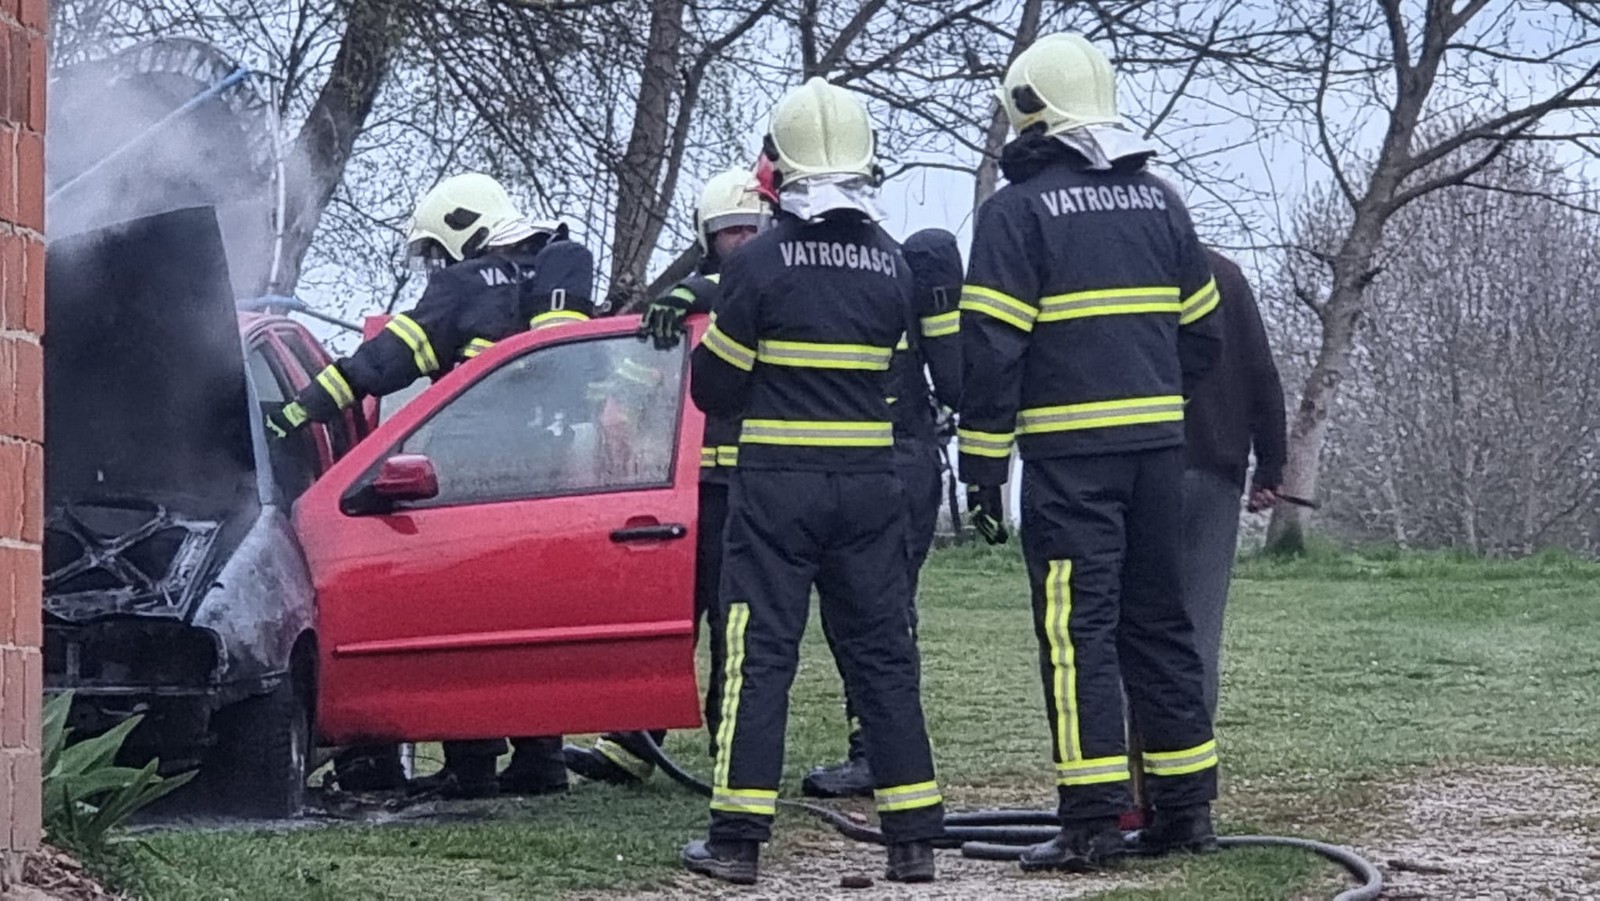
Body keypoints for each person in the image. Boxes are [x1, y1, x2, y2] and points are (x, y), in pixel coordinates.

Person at [956, 33, 1223, 872]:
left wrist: (983, 470)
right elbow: (1204, 337)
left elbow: (992, 355)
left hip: (1072, 461)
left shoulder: (1014, 214)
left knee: (1079, 634)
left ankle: (1092, 820)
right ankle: (1186, 810)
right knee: (1161, 624)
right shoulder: (1163, 201)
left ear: (1029, 111)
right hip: (1156, 454)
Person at [680, 77, 944, 886]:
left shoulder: (759, 261)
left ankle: (736, 840)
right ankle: (912, 842)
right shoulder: (891, 263)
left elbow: (715, 387)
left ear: (782, 165)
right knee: (882, 657)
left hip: (776, 491)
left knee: (760, 656)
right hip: (870, 487)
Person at [268, 171, 595, 800]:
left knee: (467, 619)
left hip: (480, 481)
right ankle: (539, 762)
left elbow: (380, 363)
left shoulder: (461, 285)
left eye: (434, 253)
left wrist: (297, 410)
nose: (432, 267)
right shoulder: (549, 273)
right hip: (552, 480)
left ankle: (472, 768)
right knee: (527, 623)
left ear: (459, 234)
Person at [562, 167, 768, 784]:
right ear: (709, 239)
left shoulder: (756, 293)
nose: (742, 243)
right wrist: (615, 414)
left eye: (749, 229)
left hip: (755, 492)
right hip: (689, 499)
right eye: (729, 233)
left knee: (738, 628)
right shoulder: (684, 316)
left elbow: (746, 288)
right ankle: (631, 746)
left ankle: (734, 751)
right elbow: (634, 387)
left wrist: (696, 289)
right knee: (670, 618)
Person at [802, 227, 962, 799]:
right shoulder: (896, 273)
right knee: (869, 613)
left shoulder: (854, 279)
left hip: (885, 465)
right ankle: (876, 749)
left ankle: (878, 753)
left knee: (874, 616)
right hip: (902, 463)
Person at [1182, 248, 1286, 716]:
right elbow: (1261, 374)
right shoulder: (1225, 275)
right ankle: (1190, 765)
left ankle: (1128, 762)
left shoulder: (1121, 268)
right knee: (1199, 630)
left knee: (1132, 625)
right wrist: (1269, 467)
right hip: (1214, 470)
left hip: (1132, 470)